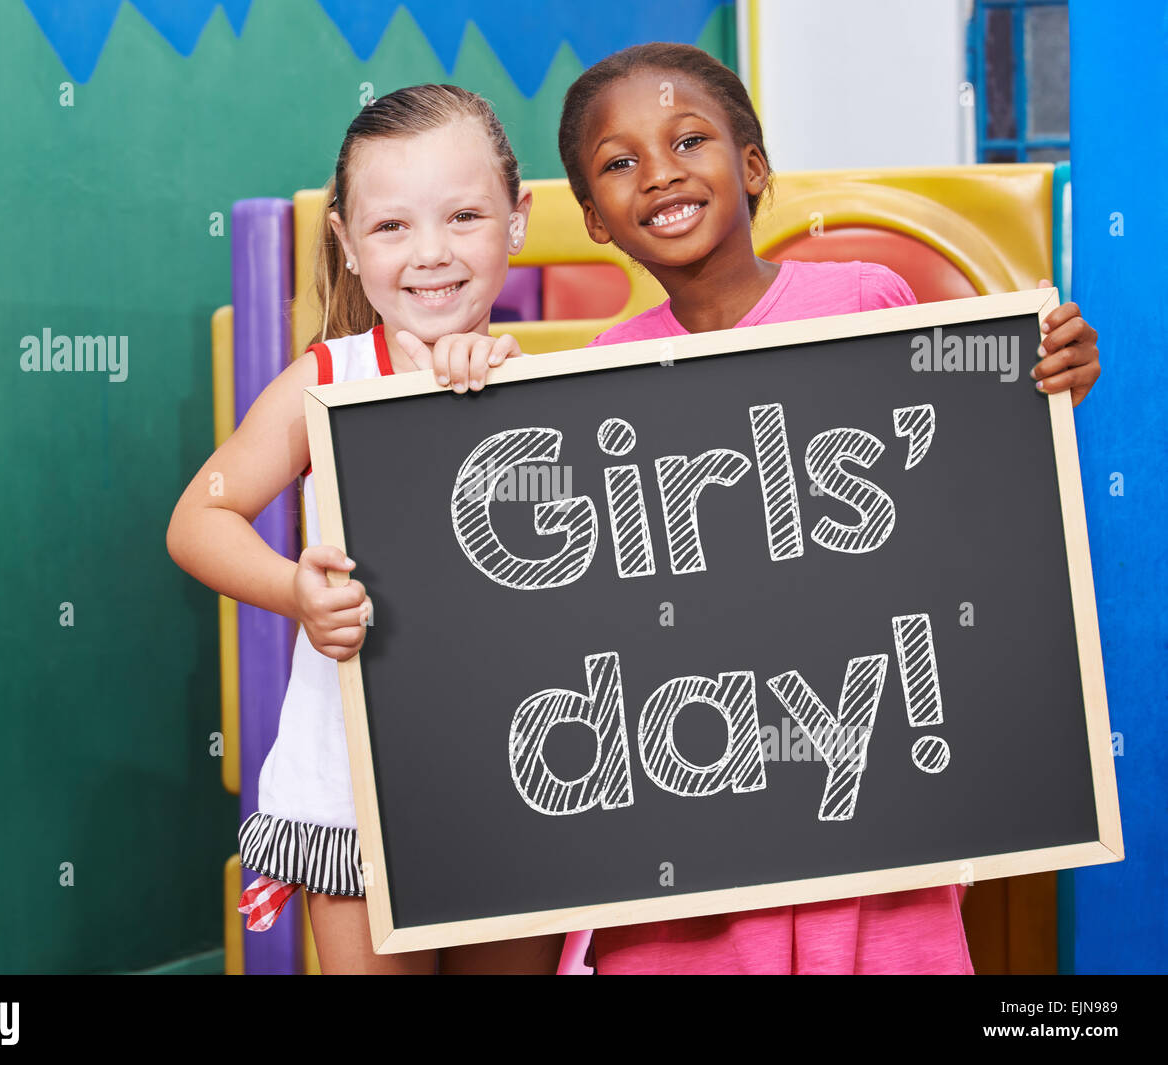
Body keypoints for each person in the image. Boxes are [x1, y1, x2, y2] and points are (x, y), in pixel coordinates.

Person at [556, 42, 1102, 974]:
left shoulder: (860, 302)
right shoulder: (605, 371)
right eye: (620, 162)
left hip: (865, 802)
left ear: (754, 166)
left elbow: (951, 486)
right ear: (594, 219)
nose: (660, 175)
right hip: (697, 815)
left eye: (690, 139)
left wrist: (1042, 381)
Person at [168, 84, 563, 975]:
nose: (431, 254)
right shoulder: (325, 380)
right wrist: (294, 592)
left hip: (520, 777)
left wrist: (502, 400)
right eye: (391, 228)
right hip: (357, 783)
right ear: (345, 243)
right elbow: (200, 516)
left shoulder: (549, 387)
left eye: (464, 215)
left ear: (517, 220)